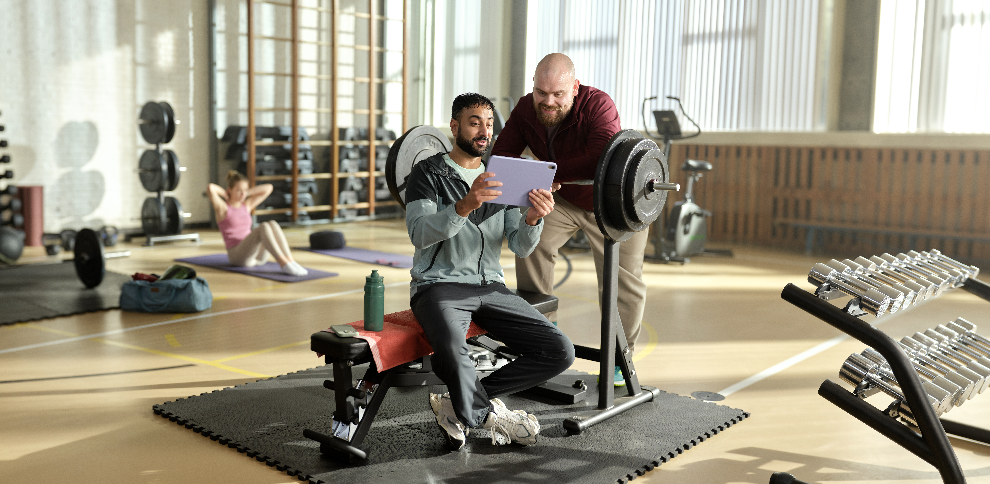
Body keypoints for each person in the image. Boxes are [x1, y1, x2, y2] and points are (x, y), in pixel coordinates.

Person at [405, 93, 575, 449]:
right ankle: (489, 416)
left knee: (559, 351)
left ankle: (459, 404)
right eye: (474, 122)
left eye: (488, 123)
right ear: (454, 126)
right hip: (439, 286)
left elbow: (521, 246)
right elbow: (419, 233)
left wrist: (533, 218)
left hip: (490, 287)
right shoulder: (427, 173)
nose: (483, 131)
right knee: (453, 349)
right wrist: (466, 204)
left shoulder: (503, 178)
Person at [491, 53, 649, 386]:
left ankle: (621, 357)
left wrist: (550, 172)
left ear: (575, 88)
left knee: (623, 280)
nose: (548, 101)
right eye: (541, 93)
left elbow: (598, 160)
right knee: (532, 243)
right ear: (533, 88)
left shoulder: (599, 106)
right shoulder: (525, 108)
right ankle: (543, 339)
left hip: (613, 202)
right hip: (563, 200)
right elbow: (501, 154)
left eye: (558, 94)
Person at [207, 171, 308, 277]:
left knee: (272, 223)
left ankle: (290, 261)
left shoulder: (246, 205)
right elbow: (210, 188)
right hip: (238, 256)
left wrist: (247, 192)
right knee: (263, 227)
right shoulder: (223, 208)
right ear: (230, 190)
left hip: (255, 256)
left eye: (245, 190)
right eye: (238, 190)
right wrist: (225, 194)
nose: (242, 194)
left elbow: (268, 188)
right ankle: (283, 263)